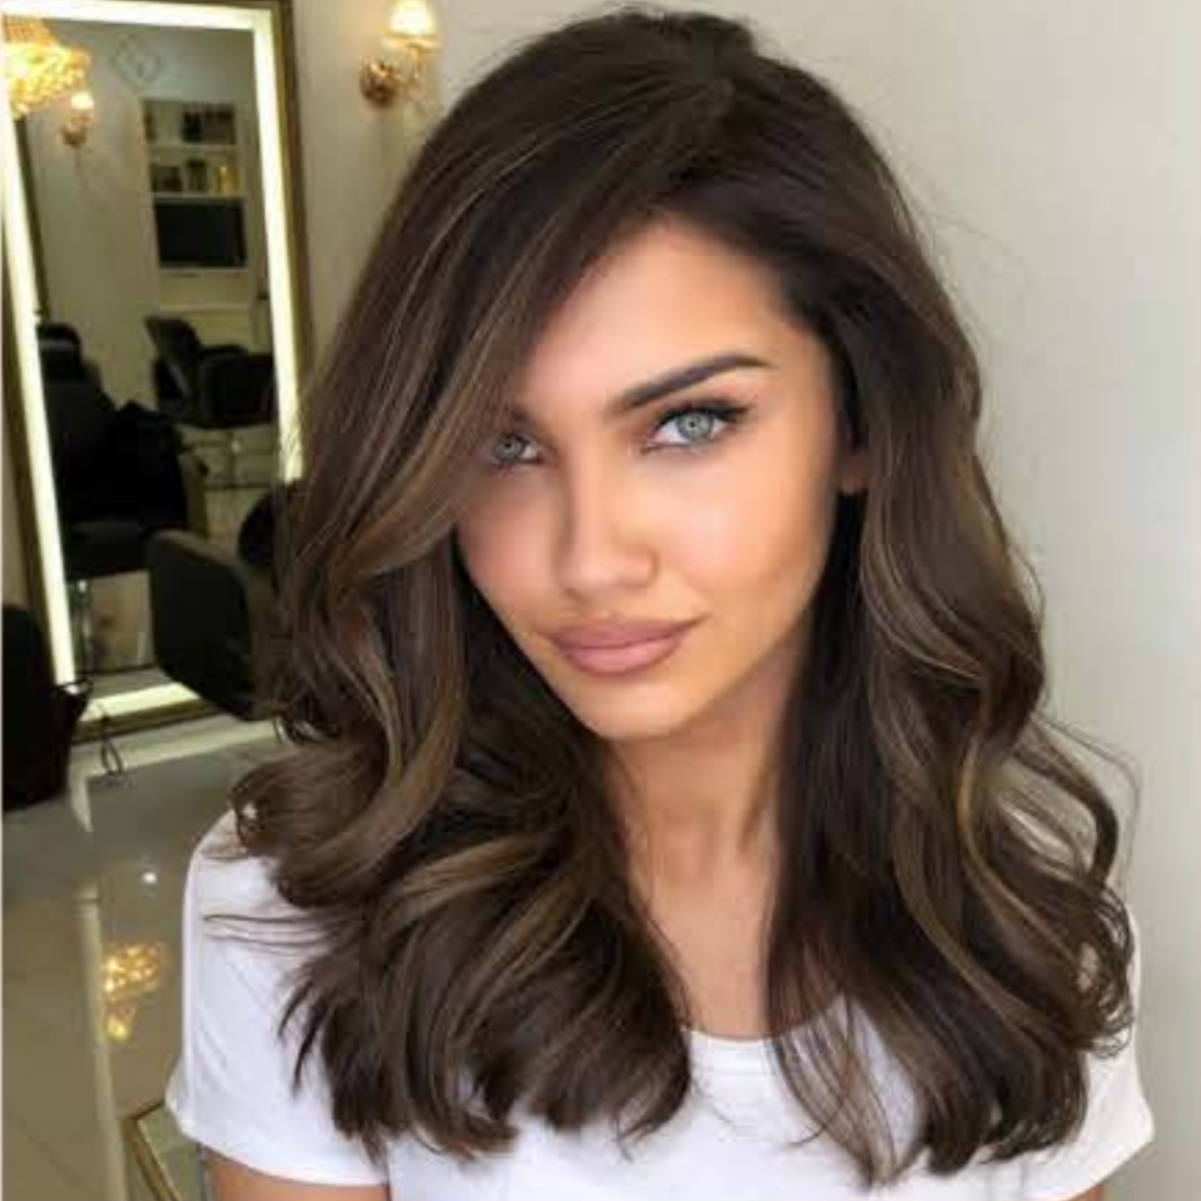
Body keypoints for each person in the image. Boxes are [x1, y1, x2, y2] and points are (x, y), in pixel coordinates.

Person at [164, 6, 1155, 1199]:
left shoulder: (1019, 906)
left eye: (690, 423)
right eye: (502, 444)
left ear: (860, 421)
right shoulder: (302, 911)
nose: (590, 559)